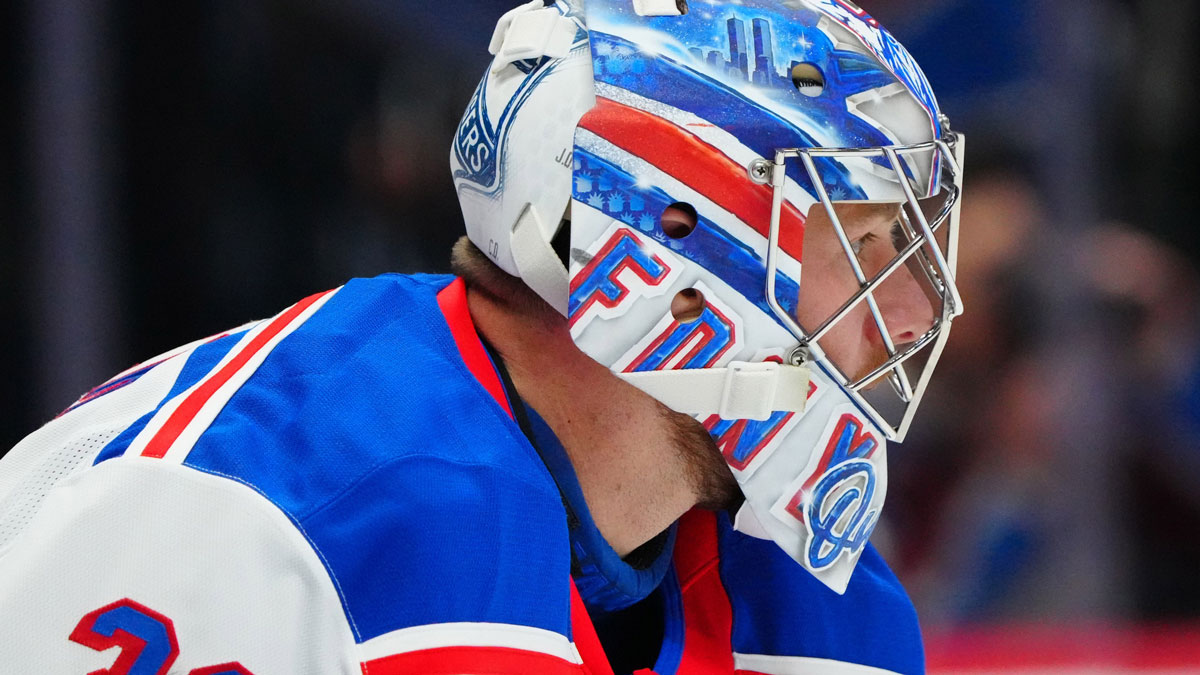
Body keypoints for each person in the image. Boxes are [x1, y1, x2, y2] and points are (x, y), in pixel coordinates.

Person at [0, 1, 965, 673]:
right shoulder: (270, 518)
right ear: (674, 249)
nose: (917, 314)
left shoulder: (817, 607)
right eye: (867, 245)